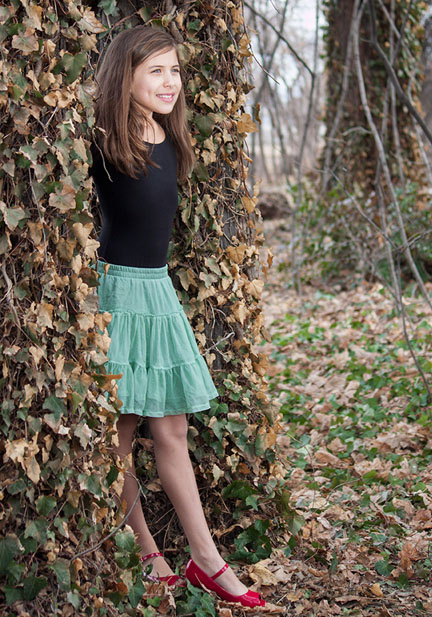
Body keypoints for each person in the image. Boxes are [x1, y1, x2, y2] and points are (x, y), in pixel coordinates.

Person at [89, 25, 265, 609]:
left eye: (175, 70)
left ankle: (206, 561)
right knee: (121, 431)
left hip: (158, 296)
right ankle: (144, 549)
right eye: (155, 70)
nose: (170, 82)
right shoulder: (102, 136)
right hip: (115, 295)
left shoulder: (169, 134)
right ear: (126, 75)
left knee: (172, 429)